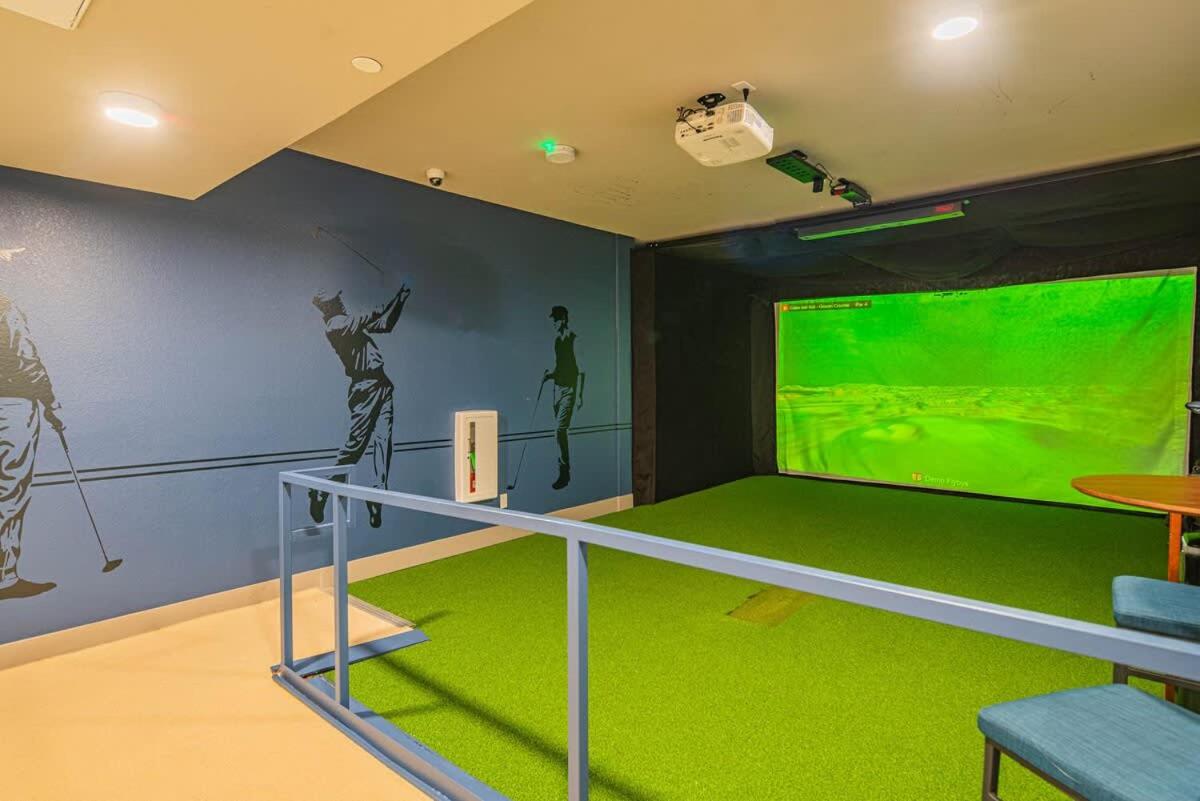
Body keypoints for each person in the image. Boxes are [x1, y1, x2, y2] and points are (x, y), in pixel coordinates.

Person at [309, 285, 410, 528]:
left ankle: (377, 496)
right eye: (336, 300)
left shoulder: (348, 324)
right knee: (354, 448)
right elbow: (374, 313)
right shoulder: (336, 326)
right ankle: (322, 491)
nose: (341, 302)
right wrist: (396, 294)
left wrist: (401, 300)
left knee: (383, 442)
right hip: (365, 388)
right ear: (328, 307)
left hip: (382, 384)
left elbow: (385, 325)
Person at [0, 259, 62, 600]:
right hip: (12, 406)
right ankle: (4, 577)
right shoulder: (6, 308)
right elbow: (26, 360)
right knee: (10, 491)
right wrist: (50, 403)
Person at [543, 305, 584, 490]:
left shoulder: (574, 339)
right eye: (553, 319)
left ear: (564, 319)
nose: (553, 322)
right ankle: (562, 468)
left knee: (559, 430)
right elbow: (560, 367)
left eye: (556, 319)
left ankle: (564, 471)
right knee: (559, 434)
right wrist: (549, 375)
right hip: (557, 391)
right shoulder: (557, 341)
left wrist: (580, 395)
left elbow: (581, 370)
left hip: (569, 390)